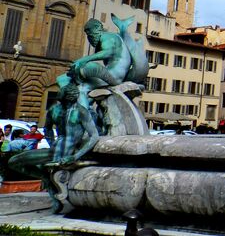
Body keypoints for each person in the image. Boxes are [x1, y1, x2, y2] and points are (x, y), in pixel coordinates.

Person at [8, 75, 99, 212]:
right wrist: (52, 143)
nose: (72, 100)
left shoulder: (81, 111)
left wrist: (75, 156)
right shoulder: (54, 110)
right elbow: (47, 129)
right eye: (69, 98)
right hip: (55, 151)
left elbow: (94, 136)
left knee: (16, 161)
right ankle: (45, 178)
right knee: (14, 161)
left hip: (70, 152)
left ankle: (51, 187)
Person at [69, 18, 132, 107]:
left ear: (97, 28)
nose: (89, 37)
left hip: (114, 76)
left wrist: (83, 59)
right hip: (114, 74)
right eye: (87, 35)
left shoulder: (106, 37)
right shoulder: (111, 37)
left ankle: (84, 111)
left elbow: (107, 52)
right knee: (83, 86)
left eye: (90, 33)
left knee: (83, 84)